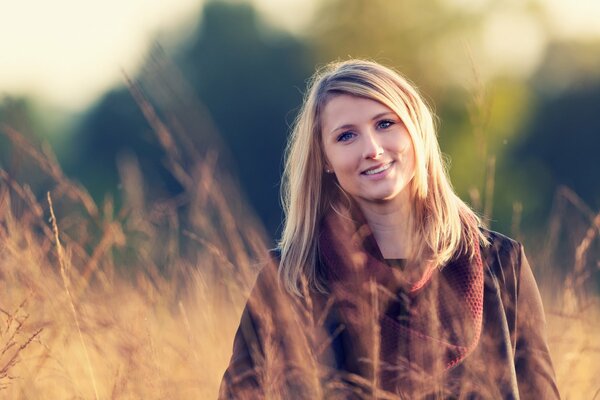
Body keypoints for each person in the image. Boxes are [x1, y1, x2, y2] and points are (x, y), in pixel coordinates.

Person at [219, 59, 560, 399]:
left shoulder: (500, 265)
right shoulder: (290, 279)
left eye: (385, 124)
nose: (372, 149)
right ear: (324, 158)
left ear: (416, 131)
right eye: (347, 135)